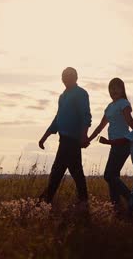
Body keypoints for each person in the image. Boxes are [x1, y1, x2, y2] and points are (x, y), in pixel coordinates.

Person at [38, 67, 91, 205]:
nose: (65, 78)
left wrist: (84, 135)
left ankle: (44, 202)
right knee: (71, 171)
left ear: (75, 77)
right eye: (63, 76)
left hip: (73, 139)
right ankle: (83, 202)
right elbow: (58, 119)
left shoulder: (80, 94)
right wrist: (45, 136)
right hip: (64, 139)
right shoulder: (62, 96)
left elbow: (86, 115)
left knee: (61, 171)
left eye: (69, 75)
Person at [88, 78, 133, 211]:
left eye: (117, 88)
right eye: (111, 88)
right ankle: (117, 208)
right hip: (114, 145)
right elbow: (100, 126)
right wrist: (88, 139)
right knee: (112, 177)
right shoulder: (109, 107)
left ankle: (131, 198)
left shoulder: (124, 103)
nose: (114, 90)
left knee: (109, 175)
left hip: (123, 143)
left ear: (122, 90)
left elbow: (130, 122)